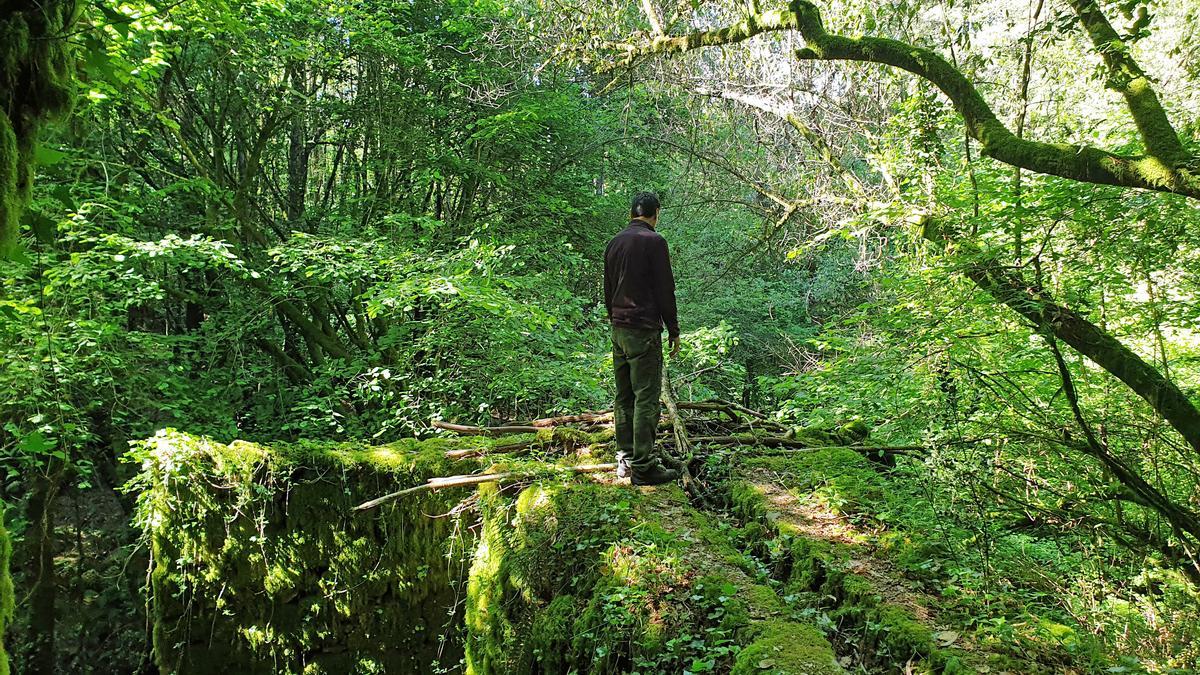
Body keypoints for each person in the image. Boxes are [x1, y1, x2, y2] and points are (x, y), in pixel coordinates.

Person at [603, 192, 685, 486]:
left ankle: (624, 460)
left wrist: (615, 320)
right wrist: (673, 329)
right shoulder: (655, 242)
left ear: (632, 213)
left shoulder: (614, 243)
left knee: (624, 396)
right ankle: (644, 466)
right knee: (646, 398)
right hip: (644, 329)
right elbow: (665, 289)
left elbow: (608, 287)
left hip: (619, 328)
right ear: (655, 213)